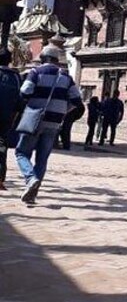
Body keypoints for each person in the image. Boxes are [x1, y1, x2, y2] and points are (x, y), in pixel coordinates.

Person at [16, 44, 82, 203]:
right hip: (54, 123)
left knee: (22, 152)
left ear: (43, 58)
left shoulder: (36, 72)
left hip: (34, 120)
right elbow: (76, 100)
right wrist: (63, 110)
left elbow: (25, 92)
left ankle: (31, 179)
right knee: (42, 159)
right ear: (56, 60)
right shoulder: (66, 77)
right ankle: (32, 194)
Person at [0, 48, 23, 191]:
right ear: (9, 61)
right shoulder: (16, 77)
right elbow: (20, 102)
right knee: (2, 147)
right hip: (7, 117)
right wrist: (13, 118)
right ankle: (0, 179)